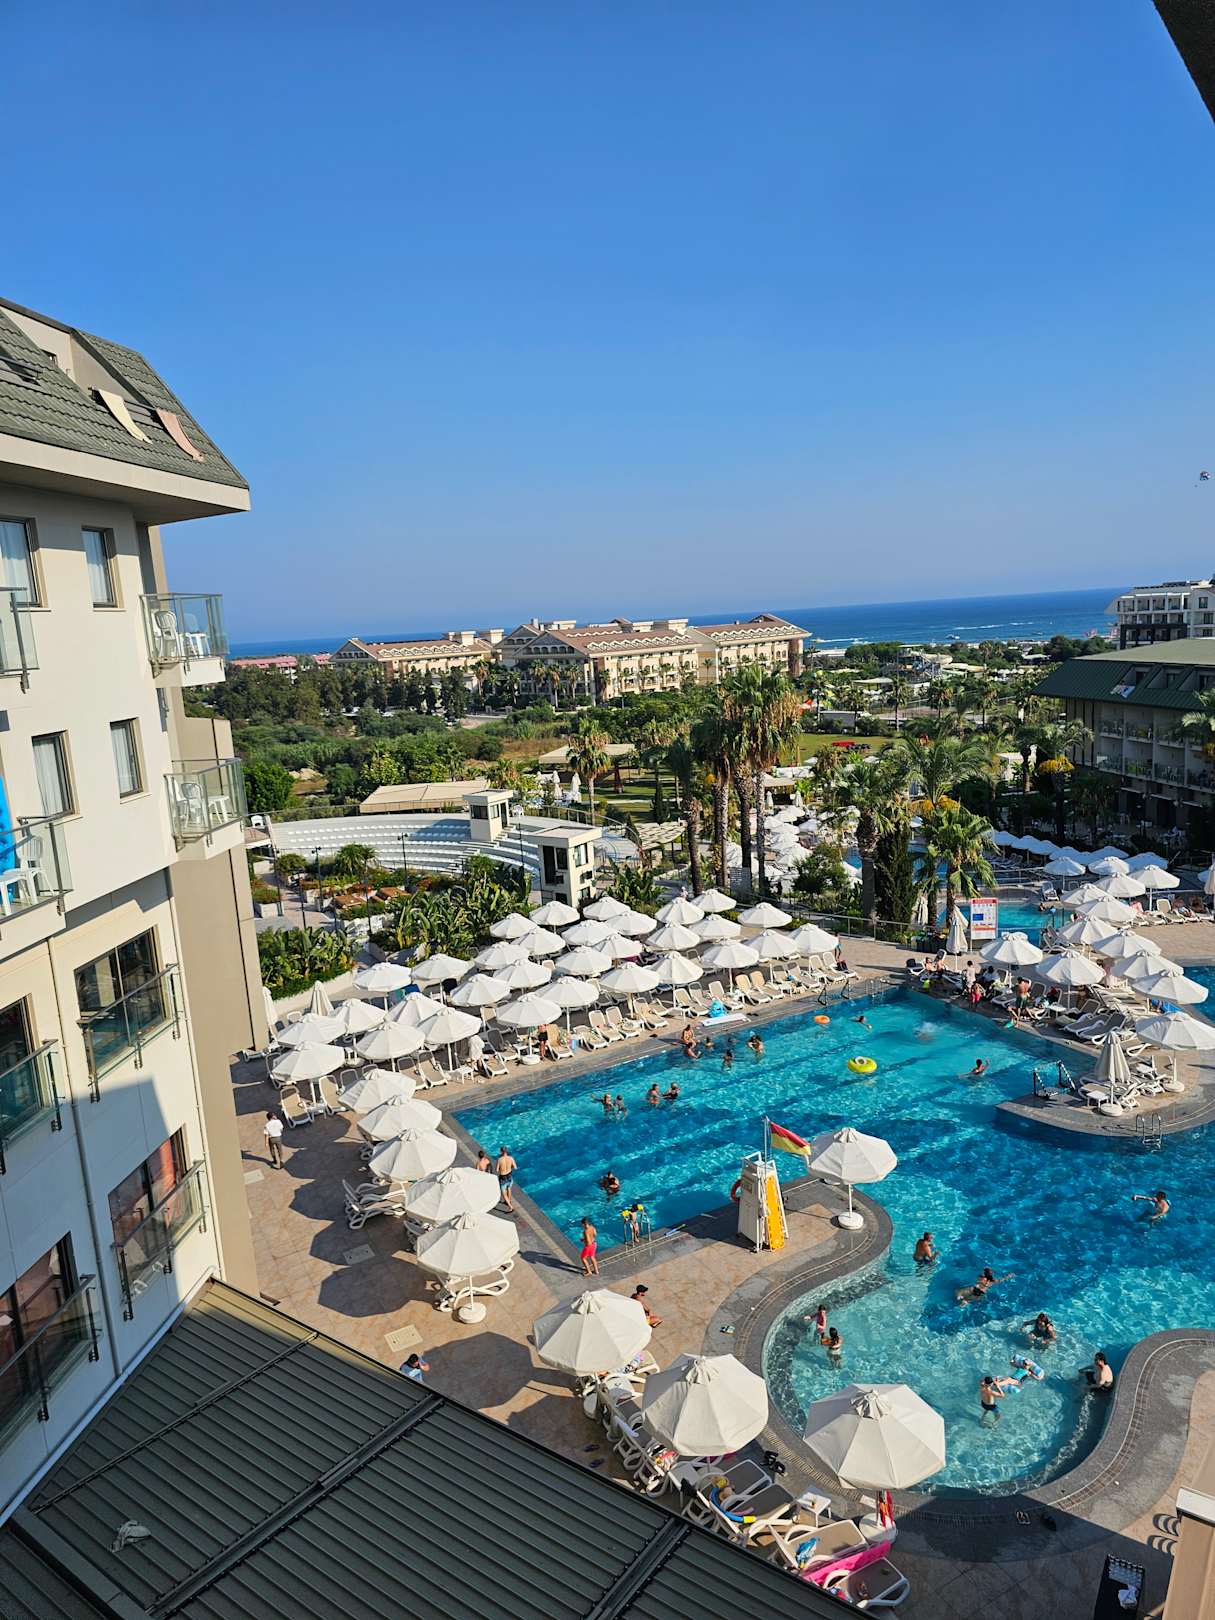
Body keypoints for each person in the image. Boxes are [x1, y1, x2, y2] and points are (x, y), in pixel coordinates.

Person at [495, 1146, 518, 1212]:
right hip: (509, 1175)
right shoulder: (511, 1158)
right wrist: (509, 1167)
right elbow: (515, 1167)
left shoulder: (499, 1159)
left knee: (504, 1193)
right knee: (509, 1188)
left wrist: (502, 1168)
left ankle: (511, 1207)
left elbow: (497, 1170)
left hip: (503, 1177)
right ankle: (508, 1200)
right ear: (507, 1151)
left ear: (501, 1151)